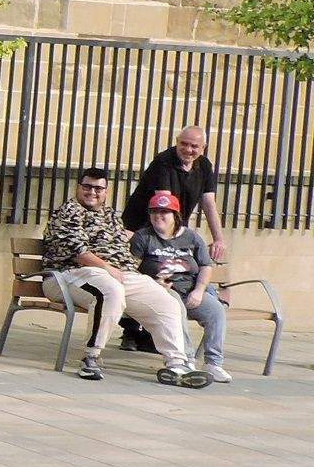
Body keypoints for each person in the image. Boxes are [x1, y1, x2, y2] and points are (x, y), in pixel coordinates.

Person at [40, 167, 207, 387]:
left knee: (165, 300)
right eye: (87, 187)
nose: (92, 192)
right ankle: (91, 358)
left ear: (106, 191)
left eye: (98, 188)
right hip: (68, 274)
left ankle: (176, 365)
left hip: (117, 274)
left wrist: (148, 279)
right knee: (110, 291)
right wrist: (108, 268)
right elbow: (80, 253)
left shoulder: (110, 215)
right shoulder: (69, 211)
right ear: (78, 188)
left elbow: (124, 250)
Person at [118, 127, 228, 352]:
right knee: (144, 272)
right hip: (144, 224)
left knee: (174, 275)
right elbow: (164, 204)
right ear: (177, 142)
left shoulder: (204, 166)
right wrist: (177, 239)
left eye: (194, 146)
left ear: (203, 148)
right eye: (184, 144)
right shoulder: (164, 162)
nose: (188, 149)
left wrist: (218, 238)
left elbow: (209, 203)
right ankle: (131, 332)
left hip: (173, 226)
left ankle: (154, 336)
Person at [132, 189, 230, 384]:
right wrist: (152, 284)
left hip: (191, 290)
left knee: (216, 311)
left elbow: (205, 266)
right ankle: (186, 360)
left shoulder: (191, 238)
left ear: (175, 216)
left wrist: (199, 290)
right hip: (161, 292)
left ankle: (213, 363)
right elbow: (131, 268)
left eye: (164, 212)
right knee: (175, 308)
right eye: (154, 212)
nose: (158, 216)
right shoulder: (143, 237)